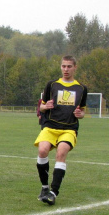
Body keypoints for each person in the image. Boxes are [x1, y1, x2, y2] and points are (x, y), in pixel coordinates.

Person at [34, 55, 87, 205]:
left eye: (69, 66)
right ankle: (45, 187)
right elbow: (41, 107)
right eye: (64, 66)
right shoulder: (51, 85)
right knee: (42, 151)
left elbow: (82, 112)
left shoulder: (81, 88)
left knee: (61, 152)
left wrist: (80, 114)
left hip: (69, 128)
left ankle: (53, 192)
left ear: (75, 68)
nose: (66, 69)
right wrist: (46, 106)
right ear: (61, 67)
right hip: (50, 126)